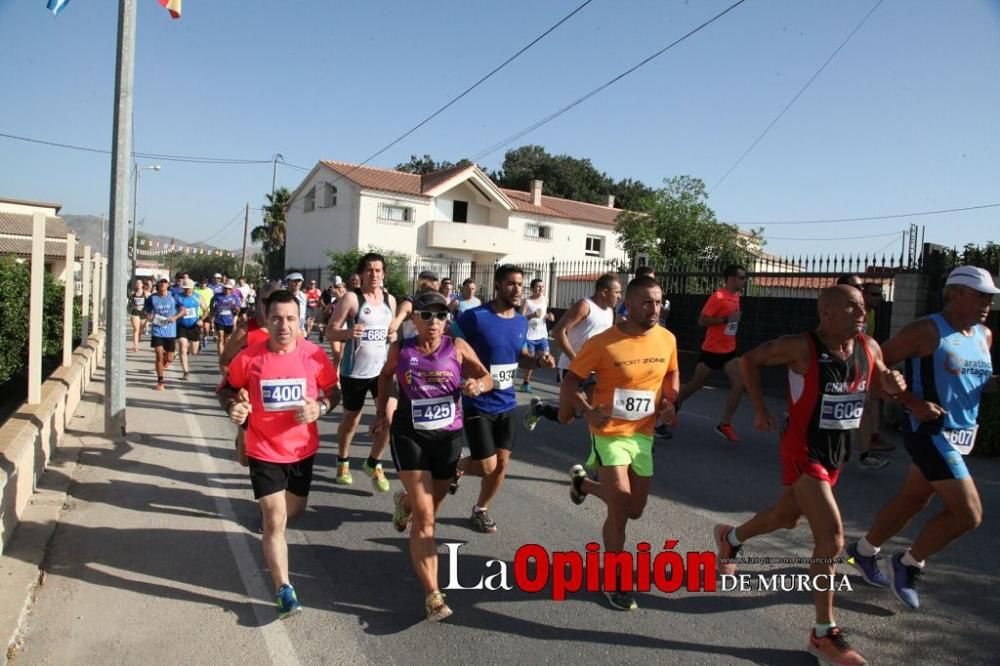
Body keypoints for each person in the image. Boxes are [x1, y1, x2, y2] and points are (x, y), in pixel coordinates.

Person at [713, 285, 905, 665]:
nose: (861, 312)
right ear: (828, 312)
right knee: (832, 539)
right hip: (802, 450)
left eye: (863, 307)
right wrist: (759, 409)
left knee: (786, 518)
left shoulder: (870, 346)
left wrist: (893, 385)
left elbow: (883, 381)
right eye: (852, 307)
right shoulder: (799, 346)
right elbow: (748, 361)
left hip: (836, 452)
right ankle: (823, 634)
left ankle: (730, 538)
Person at [846, 266, 997, 612]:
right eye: (980, 295)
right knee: (968, 514)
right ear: (955, 293)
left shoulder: (984, 335)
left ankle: (863, 552)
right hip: (928, 432)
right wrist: (911, 402)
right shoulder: (926, 331)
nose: (987, 303)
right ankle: (909, 563)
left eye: (990, 297)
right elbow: (874, 363)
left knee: (912, 500)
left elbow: (976, 379)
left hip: (962, 434)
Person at [370, 290, 493, 622]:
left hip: (448, 438)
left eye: (440, 315)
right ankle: (433, 595)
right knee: (426, 519)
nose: (434, 321)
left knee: (429, 507)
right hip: (409, 436)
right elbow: (384, 377)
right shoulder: (402, 350)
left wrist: (477, 387)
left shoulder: (458, 348)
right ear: (414, 320)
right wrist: (381, 413)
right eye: (426, 315)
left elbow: (487, 376)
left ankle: (404, 503)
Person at [558, 276, 679, 611]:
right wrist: (586, 412)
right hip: (609, 432)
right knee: (621, 505)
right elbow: (571, 381)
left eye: (659, 302)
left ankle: (583, 483)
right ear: (628, 304)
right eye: (647, 302)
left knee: (635, 509)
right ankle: (614, 578)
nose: (654, 309)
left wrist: (671, 402)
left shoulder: (667, 339)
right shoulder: (603, 343)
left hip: (642, 434)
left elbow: (671, 375)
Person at [218, 289, 340, 619]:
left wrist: (321, 407)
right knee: (274, 521)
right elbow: (226, 388)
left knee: (293, 511)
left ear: (300, 320)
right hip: (264, 449)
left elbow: (334, 391)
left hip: (302, 449)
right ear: (266, 320)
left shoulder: (314, 355)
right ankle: (284, 589)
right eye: (276, 318)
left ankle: (275, 524)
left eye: (290, 318)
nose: (283, 325)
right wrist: (233, 405)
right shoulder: (250, 357)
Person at [450, 265, 556, 533]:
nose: (517, 289)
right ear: (497, 286)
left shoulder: (521, 321)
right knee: (487, 465)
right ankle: (455, 466)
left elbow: (519, 354)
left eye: (520, 284)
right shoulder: (475, 317)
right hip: (479, 401)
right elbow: (451, 346)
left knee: (502, 464)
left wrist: (537, 361)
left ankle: (481, 510)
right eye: (511, 284)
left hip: (507, 402)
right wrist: (465, 376)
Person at [325, 252, 396, 492]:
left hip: (382, 373)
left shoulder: (390, 300)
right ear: (361, 274)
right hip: (354, 372)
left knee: (388, 418)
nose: (374, 274)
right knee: (351, 420)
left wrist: (394, 335)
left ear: (384, 273)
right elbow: (330, 331)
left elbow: (391, 333)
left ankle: (373, 463)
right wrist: (347, 333)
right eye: (369, 270)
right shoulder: (351, 299)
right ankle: (343, 460)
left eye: (378, 270)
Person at [522, 273, 621, 430]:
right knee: (565, 417)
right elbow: (558, 332)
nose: (619, 297)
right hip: (572, 367)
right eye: (617, 292)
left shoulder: (610, 311)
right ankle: (538, 409)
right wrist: (576, 359)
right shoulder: (585, 306)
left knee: (597, 408)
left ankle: (603, 444)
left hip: (595, 370)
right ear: (604, 292)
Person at [677, 264, 748, 442]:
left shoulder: (736, 296)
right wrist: (725, 319)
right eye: (741, 277)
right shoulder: (718, 296)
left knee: (740, 383)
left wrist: (731, 324)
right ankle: (672, 405)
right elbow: (702, 321)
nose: (744, 281)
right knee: (696, 384)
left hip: (729, 349)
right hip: (712, 350)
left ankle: (724, 424)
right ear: (731, 278)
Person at [836, 274, 891, 469]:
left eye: (862, 288)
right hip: (837, 364)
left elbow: (867, 341)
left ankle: (865, 454)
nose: (862, 291)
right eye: (857, 287)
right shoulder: (832, 311)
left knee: (864, 407)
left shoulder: (867, 312)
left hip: (859, 362)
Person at [144, 278, 184, 390]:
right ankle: (160, 382)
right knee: (158, 353)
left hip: (170, 332)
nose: (162, 284)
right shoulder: (152, 298)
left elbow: (183, 310)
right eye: (160, 282)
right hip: (157, 330)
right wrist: (150, 317)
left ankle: (169, 358)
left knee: (169, 358)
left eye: (165, 282)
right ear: (158, 284)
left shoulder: (173, 296)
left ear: (168, 284)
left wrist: (175, 317)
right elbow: (147, 312)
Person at [519, 278, 555, 394]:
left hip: (542, 335)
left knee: (546, 357)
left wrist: (549, 317)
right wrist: (532, 315)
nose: (541, 289)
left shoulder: (545, 300)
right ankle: (525, 383)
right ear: (532, 288)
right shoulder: (527, 302)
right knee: (530, 360)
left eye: (542, 287)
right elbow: (520, 319)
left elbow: (543, 316)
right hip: (530, 337)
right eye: (538, 286)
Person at [390, 271, 440, 342]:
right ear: (419, 283)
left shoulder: (439, 304)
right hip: (410, 348)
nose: (429, 283)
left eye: (433, 280)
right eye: (425, 279)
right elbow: (394, 326)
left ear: (438, 285)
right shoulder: (410, 302)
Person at [175, 279, 205, 380]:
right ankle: (185, 372)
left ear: (193, 288)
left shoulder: (198, 297)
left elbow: (206, 311)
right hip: (181, 326)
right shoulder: (179, 297)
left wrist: (201, 320)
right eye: (185, 288)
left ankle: (194, 347)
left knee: (194, 351)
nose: (187, 290)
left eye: (189, 288)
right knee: (182, 346)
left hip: (194, 327)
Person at [211, 280, 242, 356]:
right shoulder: (217, 296)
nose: (227, 290)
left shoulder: (235, 297)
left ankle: (225, 353)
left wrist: (234, 306)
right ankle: (221, 357)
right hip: (219, 320)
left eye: (229, 289)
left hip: (229, 321)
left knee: (227, 339)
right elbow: (211, 306)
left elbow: (238, 310)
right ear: (223, 288)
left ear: (231, 290)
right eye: (225, 288)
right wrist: (212, 316)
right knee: (220, 338)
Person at [194, 278, 216, 349]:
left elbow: (213, 301)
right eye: (201, 282)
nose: (203, 284)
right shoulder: (195, 290)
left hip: (207, 312)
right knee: (199, 329)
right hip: (197, 313)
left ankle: (205, 337)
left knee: (206, 328)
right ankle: (199, 341)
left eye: (204, 283)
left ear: (207, 283)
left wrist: (213, 310)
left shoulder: (210, 291)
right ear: (199, 283)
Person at [129, 279, 148, 352]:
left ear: (142, 285)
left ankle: (138, 337)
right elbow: (130, 304)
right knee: (136, 329)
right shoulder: (133, 294)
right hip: (135, 313)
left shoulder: (146, 293)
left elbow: (149, 302)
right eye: (137, 283)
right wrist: (133, 306)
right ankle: (135, 346)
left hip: (143, 313)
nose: (138, 284)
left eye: (139, 283)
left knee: (140, 329)